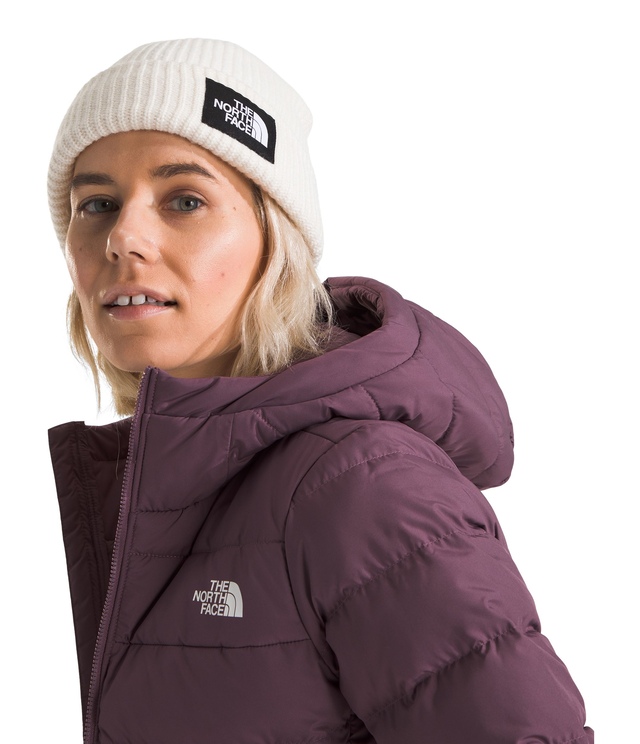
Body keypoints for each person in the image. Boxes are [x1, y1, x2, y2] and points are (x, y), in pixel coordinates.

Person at [47, 39, 593, 743]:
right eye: (96, 204)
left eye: (184, 200)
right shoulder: (184, 485)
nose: (122, 237)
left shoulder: (364, 485)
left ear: (275, 242)